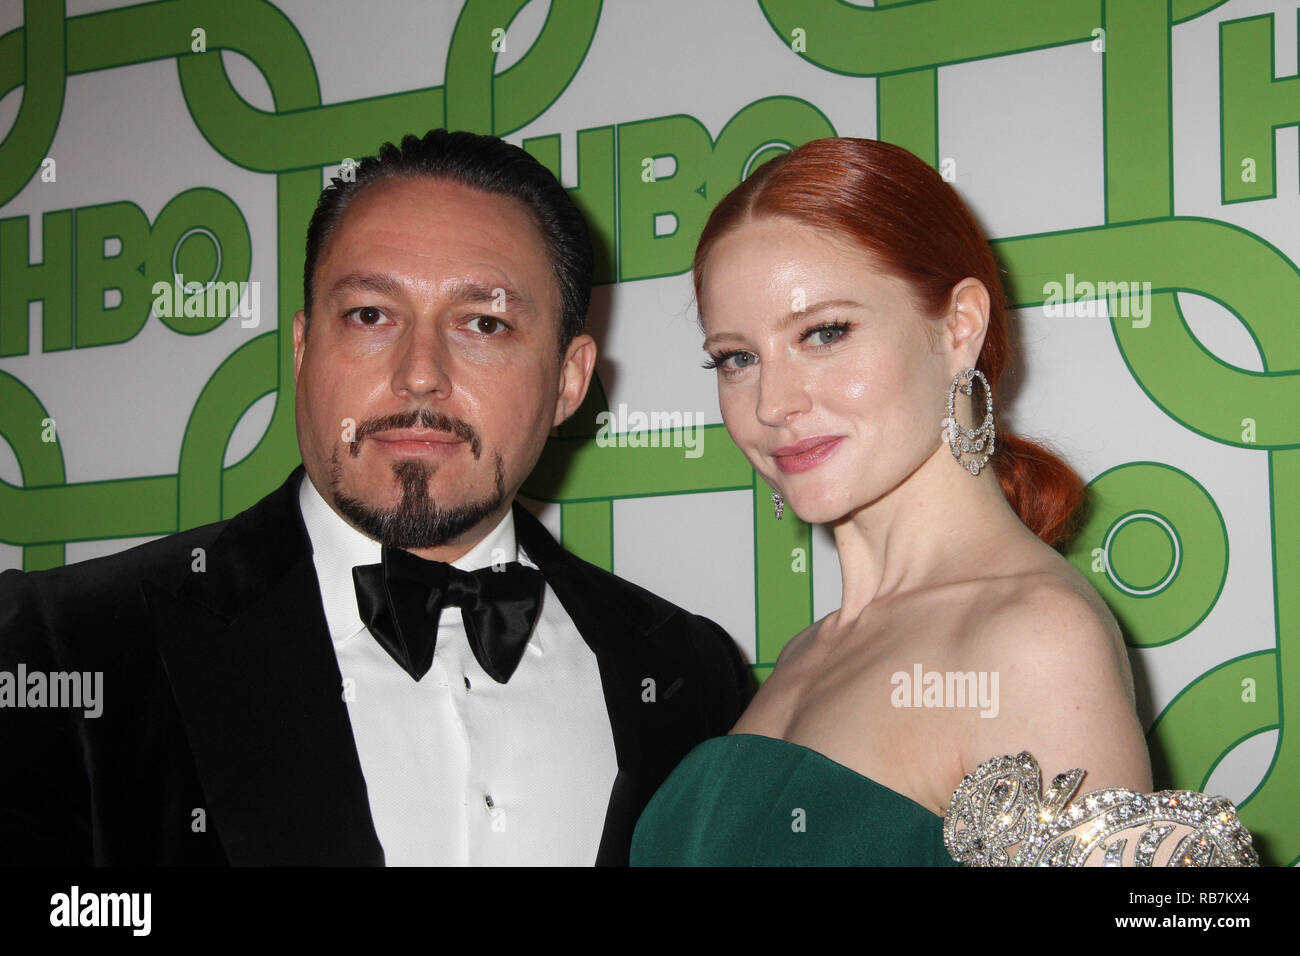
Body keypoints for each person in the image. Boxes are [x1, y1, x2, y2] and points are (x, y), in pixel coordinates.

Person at [0, 129, 751, 866]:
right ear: (302, 350)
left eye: (484, 323)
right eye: (369, 316)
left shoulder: (694, 677)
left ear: (568, 381)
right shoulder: (61, 645)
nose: (419, 373)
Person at [630, 137, 1257, 866]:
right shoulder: (810, 651)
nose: (773, 403)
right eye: (737, 358)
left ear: (959, 326)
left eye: (824, 333)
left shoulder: (1033, 642)